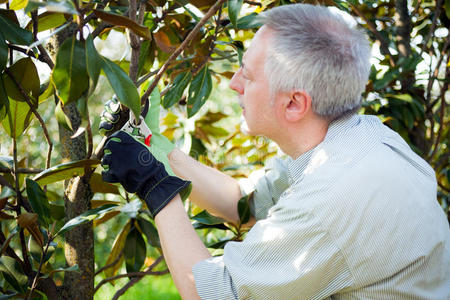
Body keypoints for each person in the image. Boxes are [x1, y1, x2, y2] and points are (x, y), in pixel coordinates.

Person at [99, 3, 450, 299]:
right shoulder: (359, 139)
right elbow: (243, 202)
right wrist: (154, 147)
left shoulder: (332, 197)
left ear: (295, 103)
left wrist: (154, 185)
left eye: (248, 76)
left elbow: (213, 292)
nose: (234, 82)